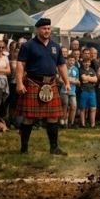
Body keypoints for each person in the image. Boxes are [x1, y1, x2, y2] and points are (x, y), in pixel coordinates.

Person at [15, 18, 71, 155]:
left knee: (53, 116)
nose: (47, 31)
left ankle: (54, 148)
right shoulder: (28, 45)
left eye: (48, 28)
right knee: (29, 117)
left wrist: (67, 81)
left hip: (51, 83)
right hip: (33, 82)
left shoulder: (55, 46)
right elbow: (20, 64)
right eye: (44, 28)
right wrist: (19, 83)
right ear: (37, 30)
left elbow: (62, 65)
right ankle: (24, 148)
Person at [78, 58, 98, 128]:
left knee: (93, 108)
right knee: (82, 108)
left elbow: (96, 79)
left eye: (88, 62)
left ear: (90, 63)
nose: (87, 64)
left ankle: (93, 124)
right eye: (85, 62)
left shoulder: (92, 70)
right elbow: (83, 78)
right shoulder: (80, 70)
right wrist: (90, 78)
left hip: (92, 91)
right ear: (83, 63)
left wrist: (88, 78)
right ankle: (82, 124)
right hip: (84, 91)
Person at [62, 55, 80, 128]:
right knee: (65, 105)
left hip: (73, 91)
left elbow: (78, 81)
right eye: (70, 60)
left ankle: (71, 122)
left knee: (74, 106)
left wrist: (68, 80)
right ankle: (63, 122)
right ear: (67, 60)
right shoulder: (64, 68)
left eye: (73, 60)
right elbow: (60, 79)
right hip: (64, 90)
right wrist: (71, 80)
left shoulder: (76, 69)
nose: (71, 62)